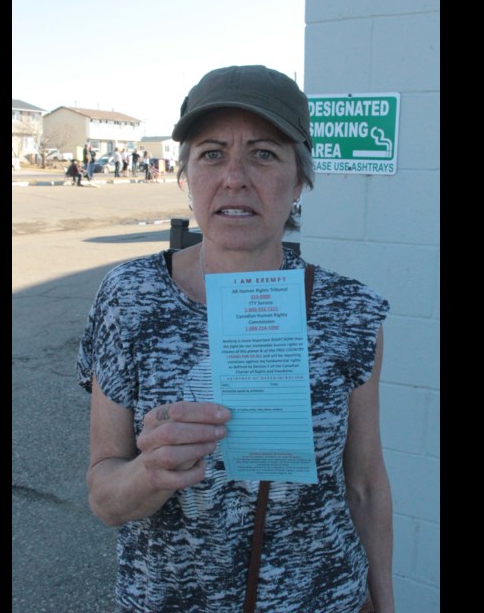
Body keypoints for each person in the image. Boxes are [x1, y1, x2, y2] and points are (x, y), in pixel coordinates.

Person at [77, 65, 394, 613]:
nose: (235, 177)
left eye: (264, 153)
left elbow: (364, 482)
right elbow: (105, 496)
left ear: (299, 181)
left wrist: (384, 602)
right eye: (212, 153)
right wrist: (150, 473)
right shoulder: (130, 298)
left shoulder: (350, 312)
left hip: (324, 599)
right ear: (186, 177)